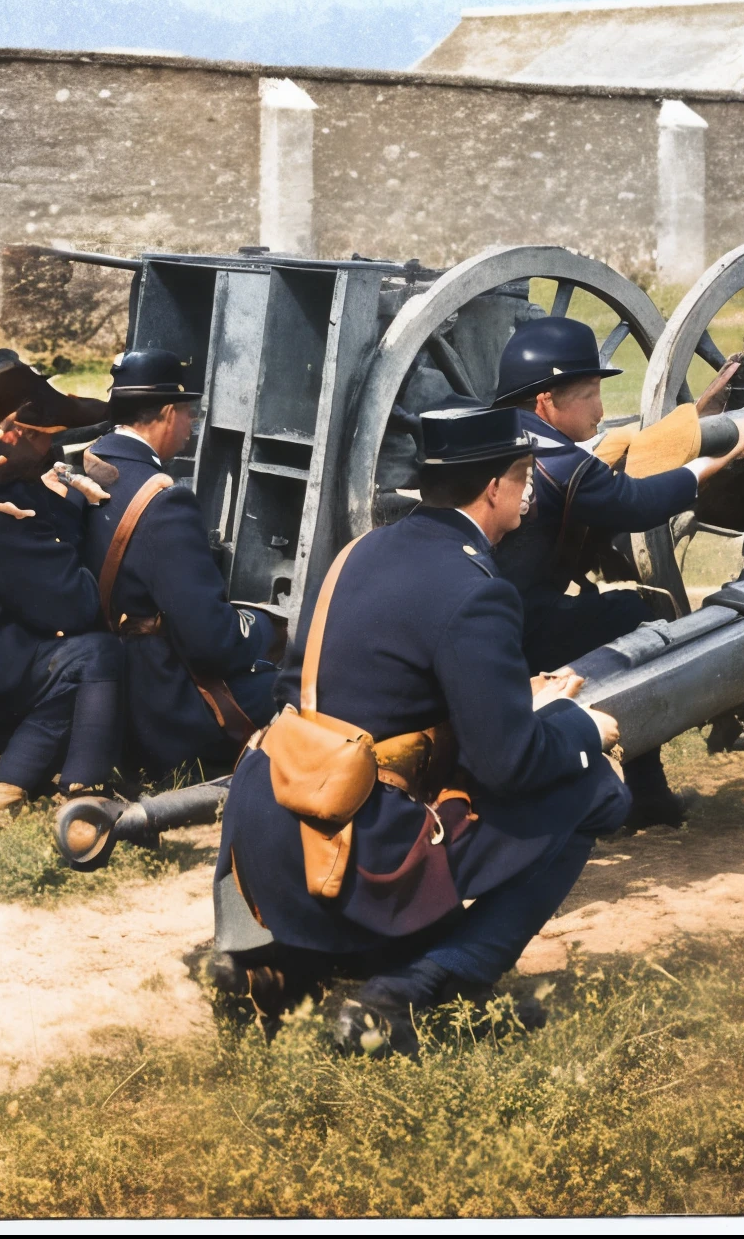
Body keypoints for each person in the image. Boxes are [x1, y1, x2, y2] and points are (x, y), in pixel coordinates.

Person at [216, 406, 631, 1055]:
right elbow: (508, 763)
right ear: (497, 487)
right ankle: (422, 989)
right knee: (598, 791)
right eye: (524, 480)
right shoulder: (476, 588)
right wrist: (580, 727)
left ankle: (283, 970)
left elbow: (306, 690)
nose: (526, 495)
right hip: (348, 837)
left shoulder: (359, 551)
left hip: (266, 819)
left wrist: (506, 698)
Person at [488, 316, 744, 828]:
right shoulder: (564, 464)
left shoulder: (504, 434)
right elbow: (639, 504)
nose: (601, 408)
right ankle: (647, 795)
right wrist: (719, 456)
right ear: (547, 401)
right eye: (590, 394)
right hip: (516, 627)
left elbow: (590, 460)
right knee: (637, 615)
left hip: (487, 613)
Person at [0, 362, 123, 816]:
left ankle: (10, 788)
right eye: (40, 436)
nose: (49, 446)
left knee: (72, 664)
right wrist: (79, 505)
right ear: (12, 432)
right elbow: (74, 604)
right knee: (96, 654)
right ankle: (83, 793)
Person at [79, 349, 278, 776]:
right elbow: (212, 643)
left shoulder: (85, 466)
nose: (190, 426)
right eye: (189, 413)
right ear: (169, 413)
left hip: (100, 692)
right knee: (296, 688)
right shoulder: (165, 501)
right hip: (161, 707)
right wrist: (265, 628)